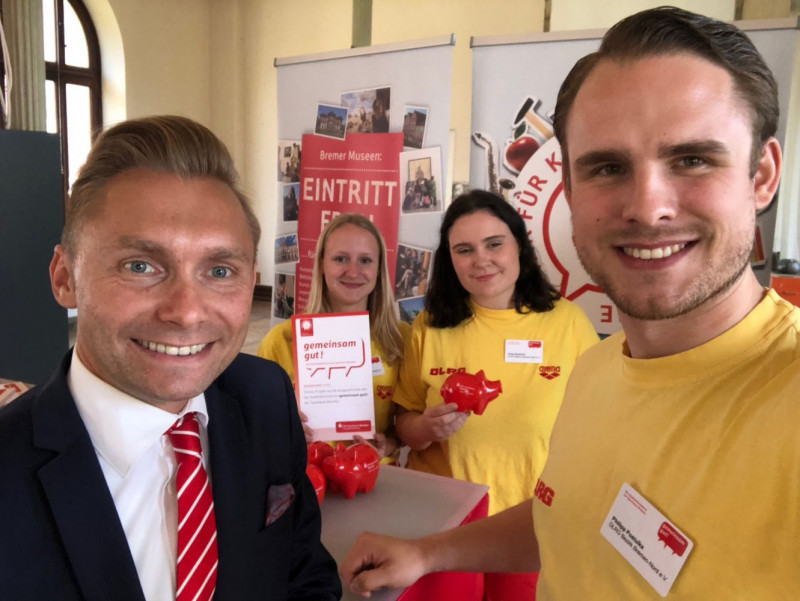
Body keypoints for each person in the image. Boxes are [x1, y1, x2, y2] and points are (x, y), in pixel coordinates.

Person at [341, 7, 799, 599]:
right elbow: (569, 512)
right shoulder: (595, 371)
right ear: (572, 192)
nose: (647, 207)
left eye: (692, 159)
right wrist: (428, 552)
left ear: (762, 176)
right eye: (608, 167)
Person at [0, 115, 340, 601]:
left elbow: (303, 573)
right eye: (140, 266)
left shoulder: (265, 397)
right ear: (65, 278)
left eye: (219, 271)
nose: (186, 312)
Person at [392, 189, 598, 598]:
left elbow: (598, 428)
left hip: (529, 523)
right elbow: (404, 427)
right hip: (444, 523)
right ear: (450, 259)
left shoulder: (568, 323)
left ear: (519, 245)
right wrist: (427, 428)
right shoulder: (430, 325)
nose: (481, 260)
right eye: (464, 250)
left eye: (494, 244)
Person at [258, 213, 409, 460]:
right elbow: (258, 424)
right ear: (321, 265)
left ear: (379, 269)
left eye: (365, 260)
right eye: (340, 259)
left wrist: (387, 445)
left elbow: (405, 424)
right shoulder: (281, 341)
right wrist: (284, 429)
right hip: (305, 474)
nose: (353, 272)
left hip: (373, 474)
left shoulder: (401, 340)